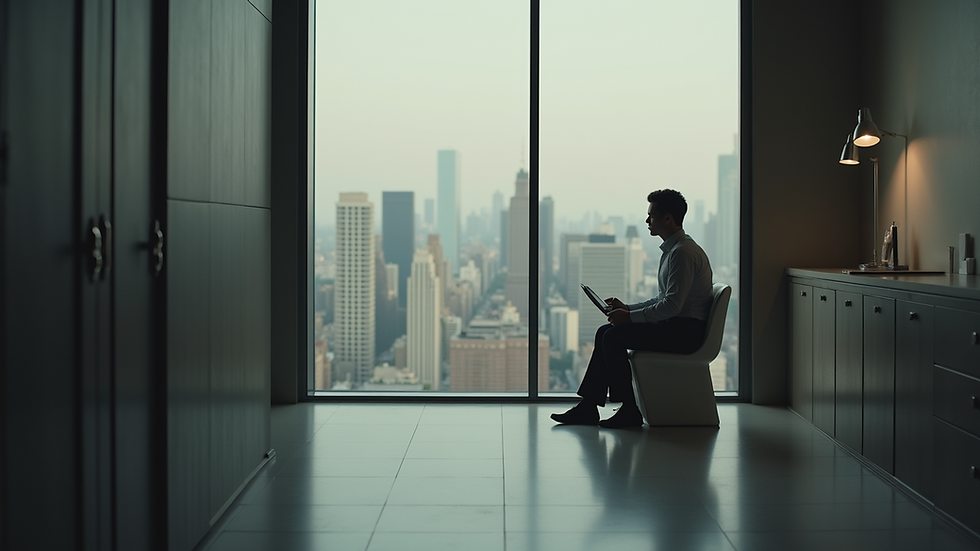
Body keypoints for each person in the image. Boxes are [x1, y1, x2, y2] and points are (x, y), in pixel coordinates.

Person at [552, 189, 713, 428]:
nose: (647, 221)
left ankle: (629, 410)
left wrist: (629, 318)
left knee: (613, 337)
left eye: (651, 215)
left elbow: (671, 305)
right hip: (678, 326)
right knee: (604, 332)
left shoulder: (682, 254)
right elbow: (663, 298)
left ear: (667, 218)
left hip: (684, 333)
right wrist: (627, 309)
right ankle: (589, 407)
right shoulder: (675, 251)